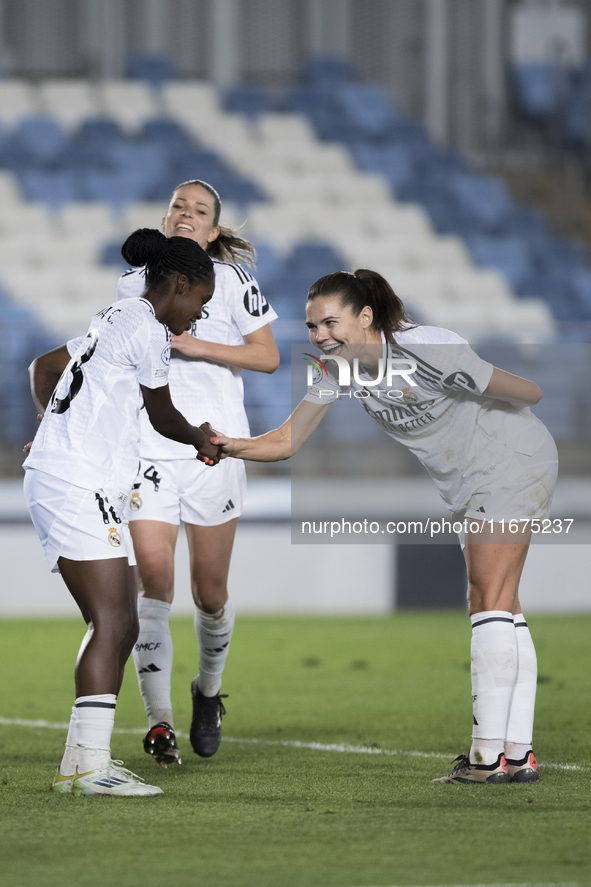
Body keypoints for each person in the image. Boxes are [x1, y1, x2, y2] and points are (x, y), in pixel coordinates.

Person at [207, 268, 558, 785]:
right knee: (500, 602)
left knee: (487, 596)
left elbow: (530, 393)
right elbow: (286, 441)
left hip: (510, 461)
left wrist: (470, 376)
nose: (321, 337)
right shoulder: (339, 371)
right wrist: (228, 444)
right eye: (312, 327)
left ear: (365, 317)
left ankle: (487, 759)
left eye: (331, 323)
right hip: (474, 480)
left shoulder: (427, 348)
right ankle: (518, 754)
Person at [23, 228, 221, 796]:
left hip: (76, 481)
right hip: (75, 484)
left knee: (122, 622)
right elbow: (163, 415)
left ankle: (79, 763)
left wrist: (53, 429)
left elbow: (43, 368)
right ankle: (88, 768)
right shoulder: (149, 328)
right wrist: (203, 439)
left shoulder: (114, 317)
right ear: (178, 284)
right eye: (199, 303)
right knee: (112, 623)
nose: (199, 316)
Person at [117, 179, 279, 768]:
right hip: (148, 448)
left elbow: (268, 356)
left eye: (199, 210)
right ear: (165, 220)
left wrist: (199, 347)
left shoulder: (234, 282)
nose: (186, 214)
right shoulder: (131, 285)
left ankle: (207, 692)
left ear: (213, 230)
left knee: (209, 593)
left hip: (214, 447)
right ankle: (160, 725)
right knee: (152, 583)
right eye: (178, 206)